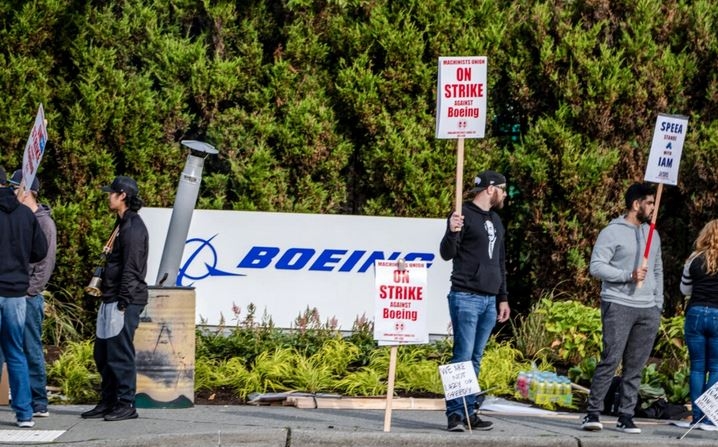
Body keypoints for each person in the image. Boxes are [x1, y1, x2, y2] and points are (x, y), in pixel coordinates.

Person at [582, 182, 663, 434]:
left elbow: (658, 270)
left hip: (647, 308)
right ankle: (593, 412)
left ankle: (626, 414)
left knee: (636, 365)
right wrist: (628, 275)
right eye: (649, 203)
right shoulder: (612, 232)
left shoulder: (653, 234)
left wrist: (657, 302)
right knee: (611, 358)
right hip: (618, 303)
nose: (653, 207)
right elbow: (597, 266)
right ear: (636, 204)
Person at [439, 170, 511, 432]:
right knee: (462, 357)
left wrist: (502, 297)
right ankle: (455, 414)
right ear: (491, 189)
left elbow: (500, 262)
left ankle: (470, 411)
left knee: (476, 358)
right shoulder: (462, 215)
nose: (505, 195)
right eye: (503, 189)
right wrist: (451, 231)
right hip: (465, 295)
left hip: (489, 299)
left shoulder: (496, 220)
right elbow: (447, 253)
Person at [81, 175, 148, 422]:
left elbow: (132, 267)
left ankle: (126, 403)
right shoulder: (121, 223)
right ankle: (108, 401)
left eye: (111, 193)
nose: (107, 196)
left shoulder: (133, 227)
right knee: (103, 353)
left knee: (120, 353)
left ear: (123, 196)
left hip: (124, 299)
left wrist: (123, 301)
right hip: (110, 297)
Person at [0, 166, 48, 427]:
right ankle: (25, 413)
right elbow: (39, 251)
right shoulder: (25, 214)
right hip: (17, 293)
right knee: (16, 352)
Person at [10, 170, 57, 418]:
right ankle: (28, 400)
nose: (12, 191)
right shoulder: (20, 217)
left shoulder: (44, 222)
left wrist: (28, 291)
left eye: (15, 187)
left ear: (26, 191)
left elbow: (45, 265)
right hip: (15, 292)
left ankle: (39, 402)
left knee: (31, 348)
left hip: (27, 296)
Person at [680, 219, 718, 431]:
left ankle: (696, 417)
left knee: (697, 367)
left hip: (694, 313)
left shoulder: (693, 259)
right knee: (715, 367)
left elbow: (684, 290)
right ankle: (710, 419)